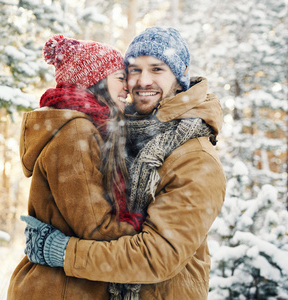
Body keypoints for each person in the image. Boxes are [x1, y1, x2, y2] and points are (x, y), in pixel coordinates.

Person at [22, 26, 226, 299]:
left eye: (156, 69)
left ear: (180, 77)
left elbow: (157, 256)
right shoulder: (112, 132)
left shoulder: (196, 159)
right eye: (133, 70)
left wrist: (63, 251)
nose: (142, 81)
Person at [7, 35, 147, 299]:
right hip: (61, 288)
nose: (128, 87)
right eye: (120, 77)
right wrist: (149, 225)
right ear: (95, 81)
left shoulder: (85, 127)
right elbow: (97, 228)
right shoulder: (76, 132)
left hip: (64, 284)